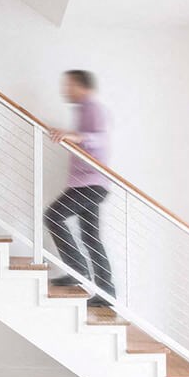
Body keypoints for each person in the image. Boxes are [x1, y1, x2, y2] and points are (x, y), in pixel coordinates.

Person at [44, 70, 115, 308]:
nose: (65, 90)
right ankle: (106, 293)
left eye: (69, 85)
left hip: (91, 182)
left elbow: (101, 139)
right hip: (87, 182)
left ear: (81, 86)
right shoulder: (83, 110)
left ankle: (77, 271)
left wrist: (72, 136)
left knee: (53, 216)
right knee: (91, 239)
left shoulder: (94, 108)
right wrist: (70, 136)